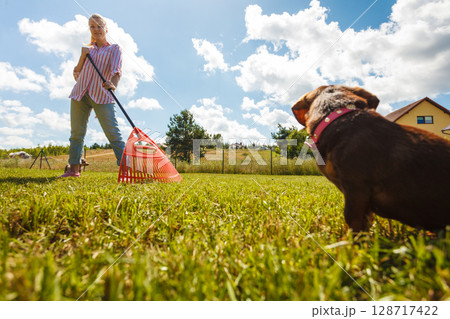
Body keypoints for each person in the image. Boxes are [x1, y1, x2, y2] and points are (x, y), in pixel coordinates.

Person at [59, 13, 125, 178]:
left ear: (106, 28)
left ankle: (127, 170)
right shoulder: (88, 50)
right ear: (90, 30)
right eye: (92, 27)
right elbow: (76, 74)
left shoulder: (114, 48)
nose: (96, 29)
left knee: (113, 133)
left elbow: (117, 71)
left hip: (102, 95)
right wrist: (83, 55)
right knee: (76, 133)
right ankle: (74, 170)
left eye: (99, 26)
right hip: (80, 93)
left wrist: (113, 85)